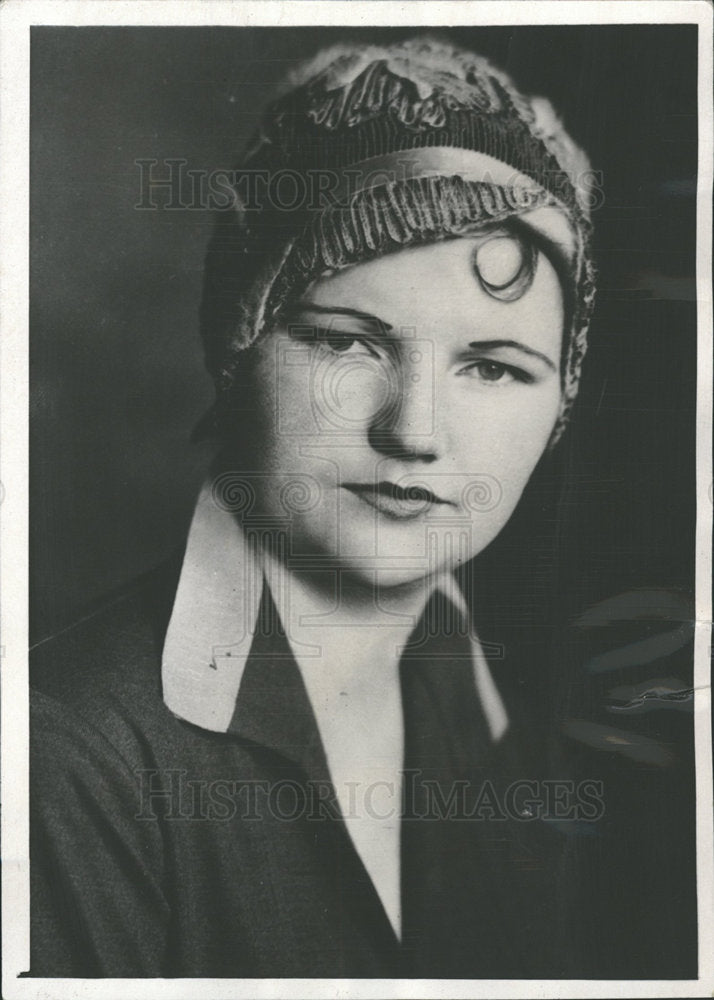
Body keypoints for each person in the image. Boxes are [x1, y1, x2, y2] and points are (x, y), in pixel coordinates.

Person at [29, 37, 696, 979]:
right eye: (349, 345)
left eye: (494, 366)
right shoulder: (60, 759)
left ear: (562, 405)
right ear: (238, 343)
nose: (415, 432)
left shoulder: (498, 717)